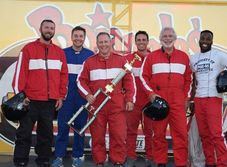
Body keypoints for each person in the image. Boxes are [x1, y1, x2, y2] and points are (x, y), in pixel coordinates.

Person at [12, 19, 68, 167]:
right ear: (40, 29)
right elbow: (19, 74)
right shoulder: (28, 49)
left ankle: (43, 159)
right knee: (24, 132)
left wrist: (61, 96)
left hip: (49, 101)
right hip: (29, 100)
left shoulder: (59, 52)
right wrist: (21, 96)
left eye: (51, 28)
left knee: (46, 134)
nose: (49, 30)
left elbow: (64, 76)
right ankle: (20, 159)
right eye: (46, 27)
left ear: (54, 31)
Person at [77, 32, 136, 167]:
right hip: (96, 107)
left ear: (111, 43)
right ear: (97, 44)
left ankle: (118, 161)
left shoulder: (122, 61)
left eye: (106, 42)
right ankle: (99, 161)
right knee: (97, 136)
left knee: (119, 136)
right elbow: (80, 80)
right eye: (101, 42)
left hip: (117, 106)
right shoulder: (89, 62)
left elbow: (129, 81)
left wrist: (130, 99)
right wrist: (87, 94)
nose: (103, 44)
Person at [190, 30, 227, 167]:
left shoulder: (219, 56)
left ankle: (221, 164)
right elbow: (194, 81)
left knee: (216, 134)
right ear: (199, 40)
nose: (205, 41)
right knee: (204, 135)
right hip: (199, 99)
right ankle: (210, 162)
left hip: (214, 98)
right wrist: (191, 99)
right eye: (203, 38)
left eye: (208, 39)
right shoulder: (193, 58)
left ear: (212, 41)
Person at [140, 27, 192, 167]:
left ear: (174, 38)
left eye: (170, 36)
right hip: (159, 101)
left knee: (181, 134)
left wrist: (186, 98)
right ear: (160, 38)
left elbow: (189, 79)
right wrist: (150, 94)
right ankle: (160, 162)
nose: (167, 38)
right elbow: (143, 77)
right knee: (158, 135)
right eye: (165, 36)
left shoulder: (183, 57)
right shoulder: (151, 57)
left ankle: (181, 163)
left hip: (178, 102)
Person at [52, 26, 94, 167]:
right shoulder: (62, 53)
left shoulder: (90, 55)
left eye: (80, 36)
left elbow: (91, 79)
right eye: (75, 35)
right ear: (71, 37)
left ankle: (78, 156)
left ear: (84, 38)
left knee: (80, 128)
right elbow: (56, 77)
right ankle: (58, 156)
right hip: (66, 98)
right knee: (63, 127)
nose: (78, 38)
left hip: (82, 99)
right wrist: (59, 95)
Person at [125, 30, 153, 167]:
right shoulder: (128, 58)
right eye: (139, 40)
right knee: (130, 130)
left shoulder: (154, 58)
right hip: (134, 102)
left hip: (150, 102)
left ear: (148, 42)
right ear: (135, 42)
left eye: (144, 39)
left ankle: (151, 157)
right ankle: (130, 156)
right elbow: (123, 78)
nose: (141, 42)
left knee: (150, 131)